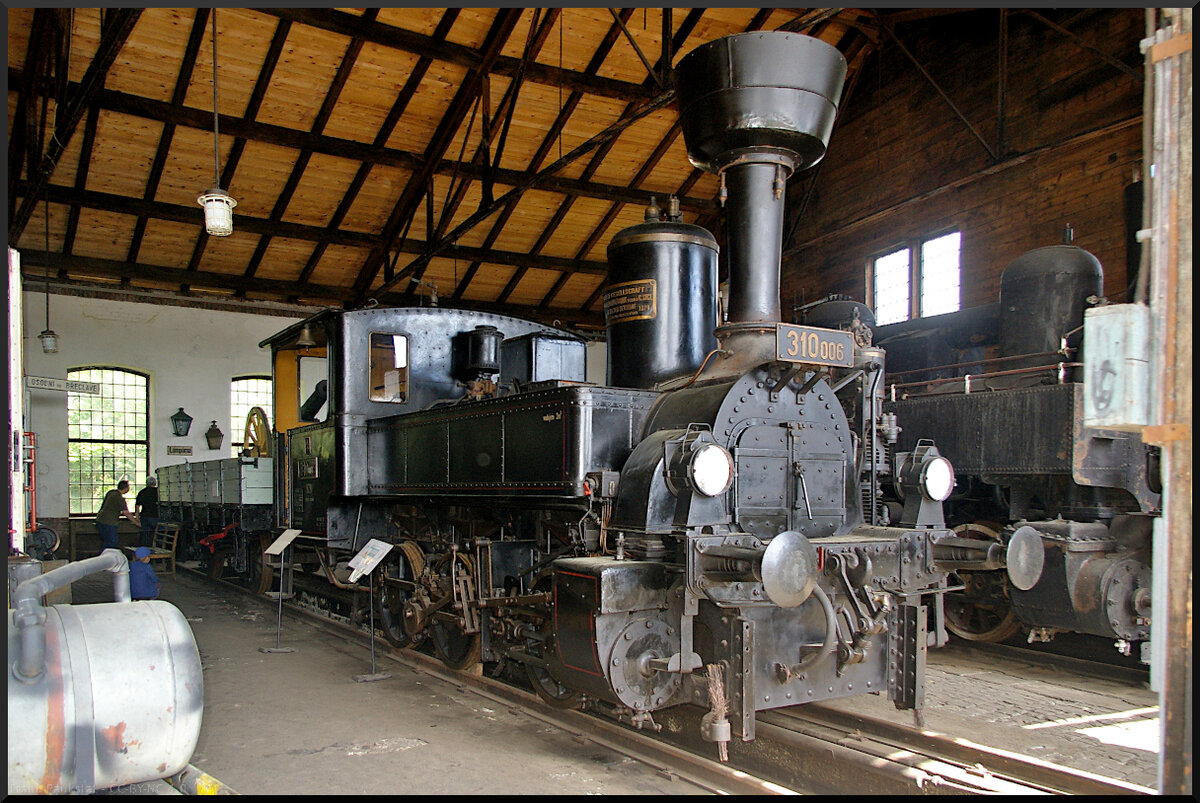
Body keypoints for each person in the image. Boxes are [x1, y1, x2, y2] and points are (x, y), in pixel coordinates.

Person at [94, 479, 139, 555]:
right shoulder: (119, 498)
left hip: (100, 519)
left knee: (106, 541)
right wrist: (136, 522)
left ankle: (102, 558)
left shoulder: (111, 493)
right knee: (112, 542)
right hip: (109, 522)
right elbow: (126, 512)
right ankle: (105, 559)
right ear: (126, 488)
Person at [135, 475, 159, 547]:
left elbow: (137, 507)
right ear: (155, 483)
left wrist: (137, 519)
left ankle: (145, 555)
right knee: (158, 537)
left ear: (146, 483)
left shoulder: (142, 492)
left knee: (145, 538)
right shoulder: (159, 492)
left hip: (145, 517)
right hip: (156, 517)